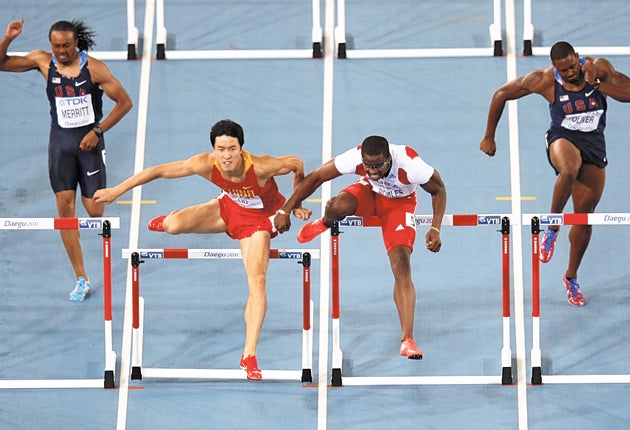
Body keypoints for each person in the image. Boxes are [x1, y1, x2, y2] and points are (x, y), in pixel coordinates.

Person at [94, 119, 309, 380]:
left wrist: (293, 205)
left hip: (260, 222)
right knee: (173, 226)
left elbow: (297, 163)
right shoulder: (205, 163)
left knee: (258, 281)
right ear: (213, 149)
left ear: (241, 148)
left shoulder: (262, 166)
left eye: (232, 148)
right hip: (229, 209)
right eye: (221, 149)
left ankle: (249, 355)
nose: (226, 155)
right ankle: (172, 218)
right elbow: (158, 170)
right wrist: (116, 191)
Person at [479, 41, 630, 306]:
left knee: (583, 219)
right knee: (568, 170)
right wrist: (489, 136)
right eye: (563, 70)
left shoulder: (598, 68)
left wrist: (600, 86)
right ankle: (552, 225)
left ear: (577, 58)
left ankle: (571, 277)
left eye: (572, 67)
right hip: (563, 138)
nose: (569, 73)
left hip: (594, 144)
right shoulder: (544, 80)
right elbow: (501, 93)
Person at [274, 135, 447, 359]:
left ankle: (407, 340)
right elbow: (316, 178)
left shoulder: (410, 164)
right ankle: (326, 222)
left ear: (389, 158)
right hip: (369, 193)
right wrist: (285, 210)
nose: (372, 170)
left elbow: (439, 189)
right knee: (336, 206)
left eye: (378, 166)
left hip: (400, 205)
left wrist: (436, 228)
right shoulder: (356, 158)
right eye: (368, 166)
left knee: (402, 266)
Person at [0, 19, 133, 302]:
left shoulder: (94, 69)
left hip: (89, 145)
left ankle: (93, 193)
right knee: (64, 208)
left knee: (95, 211)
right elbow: (1, 63)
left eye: (66, 46)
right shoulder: (43, 62)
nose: (61, 51)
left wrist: (98, 131)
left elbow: (125, 102)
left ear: (76, 44)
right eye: (56, 46)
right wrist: (8, 38)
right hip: (60, 144)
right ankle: (81, 277)